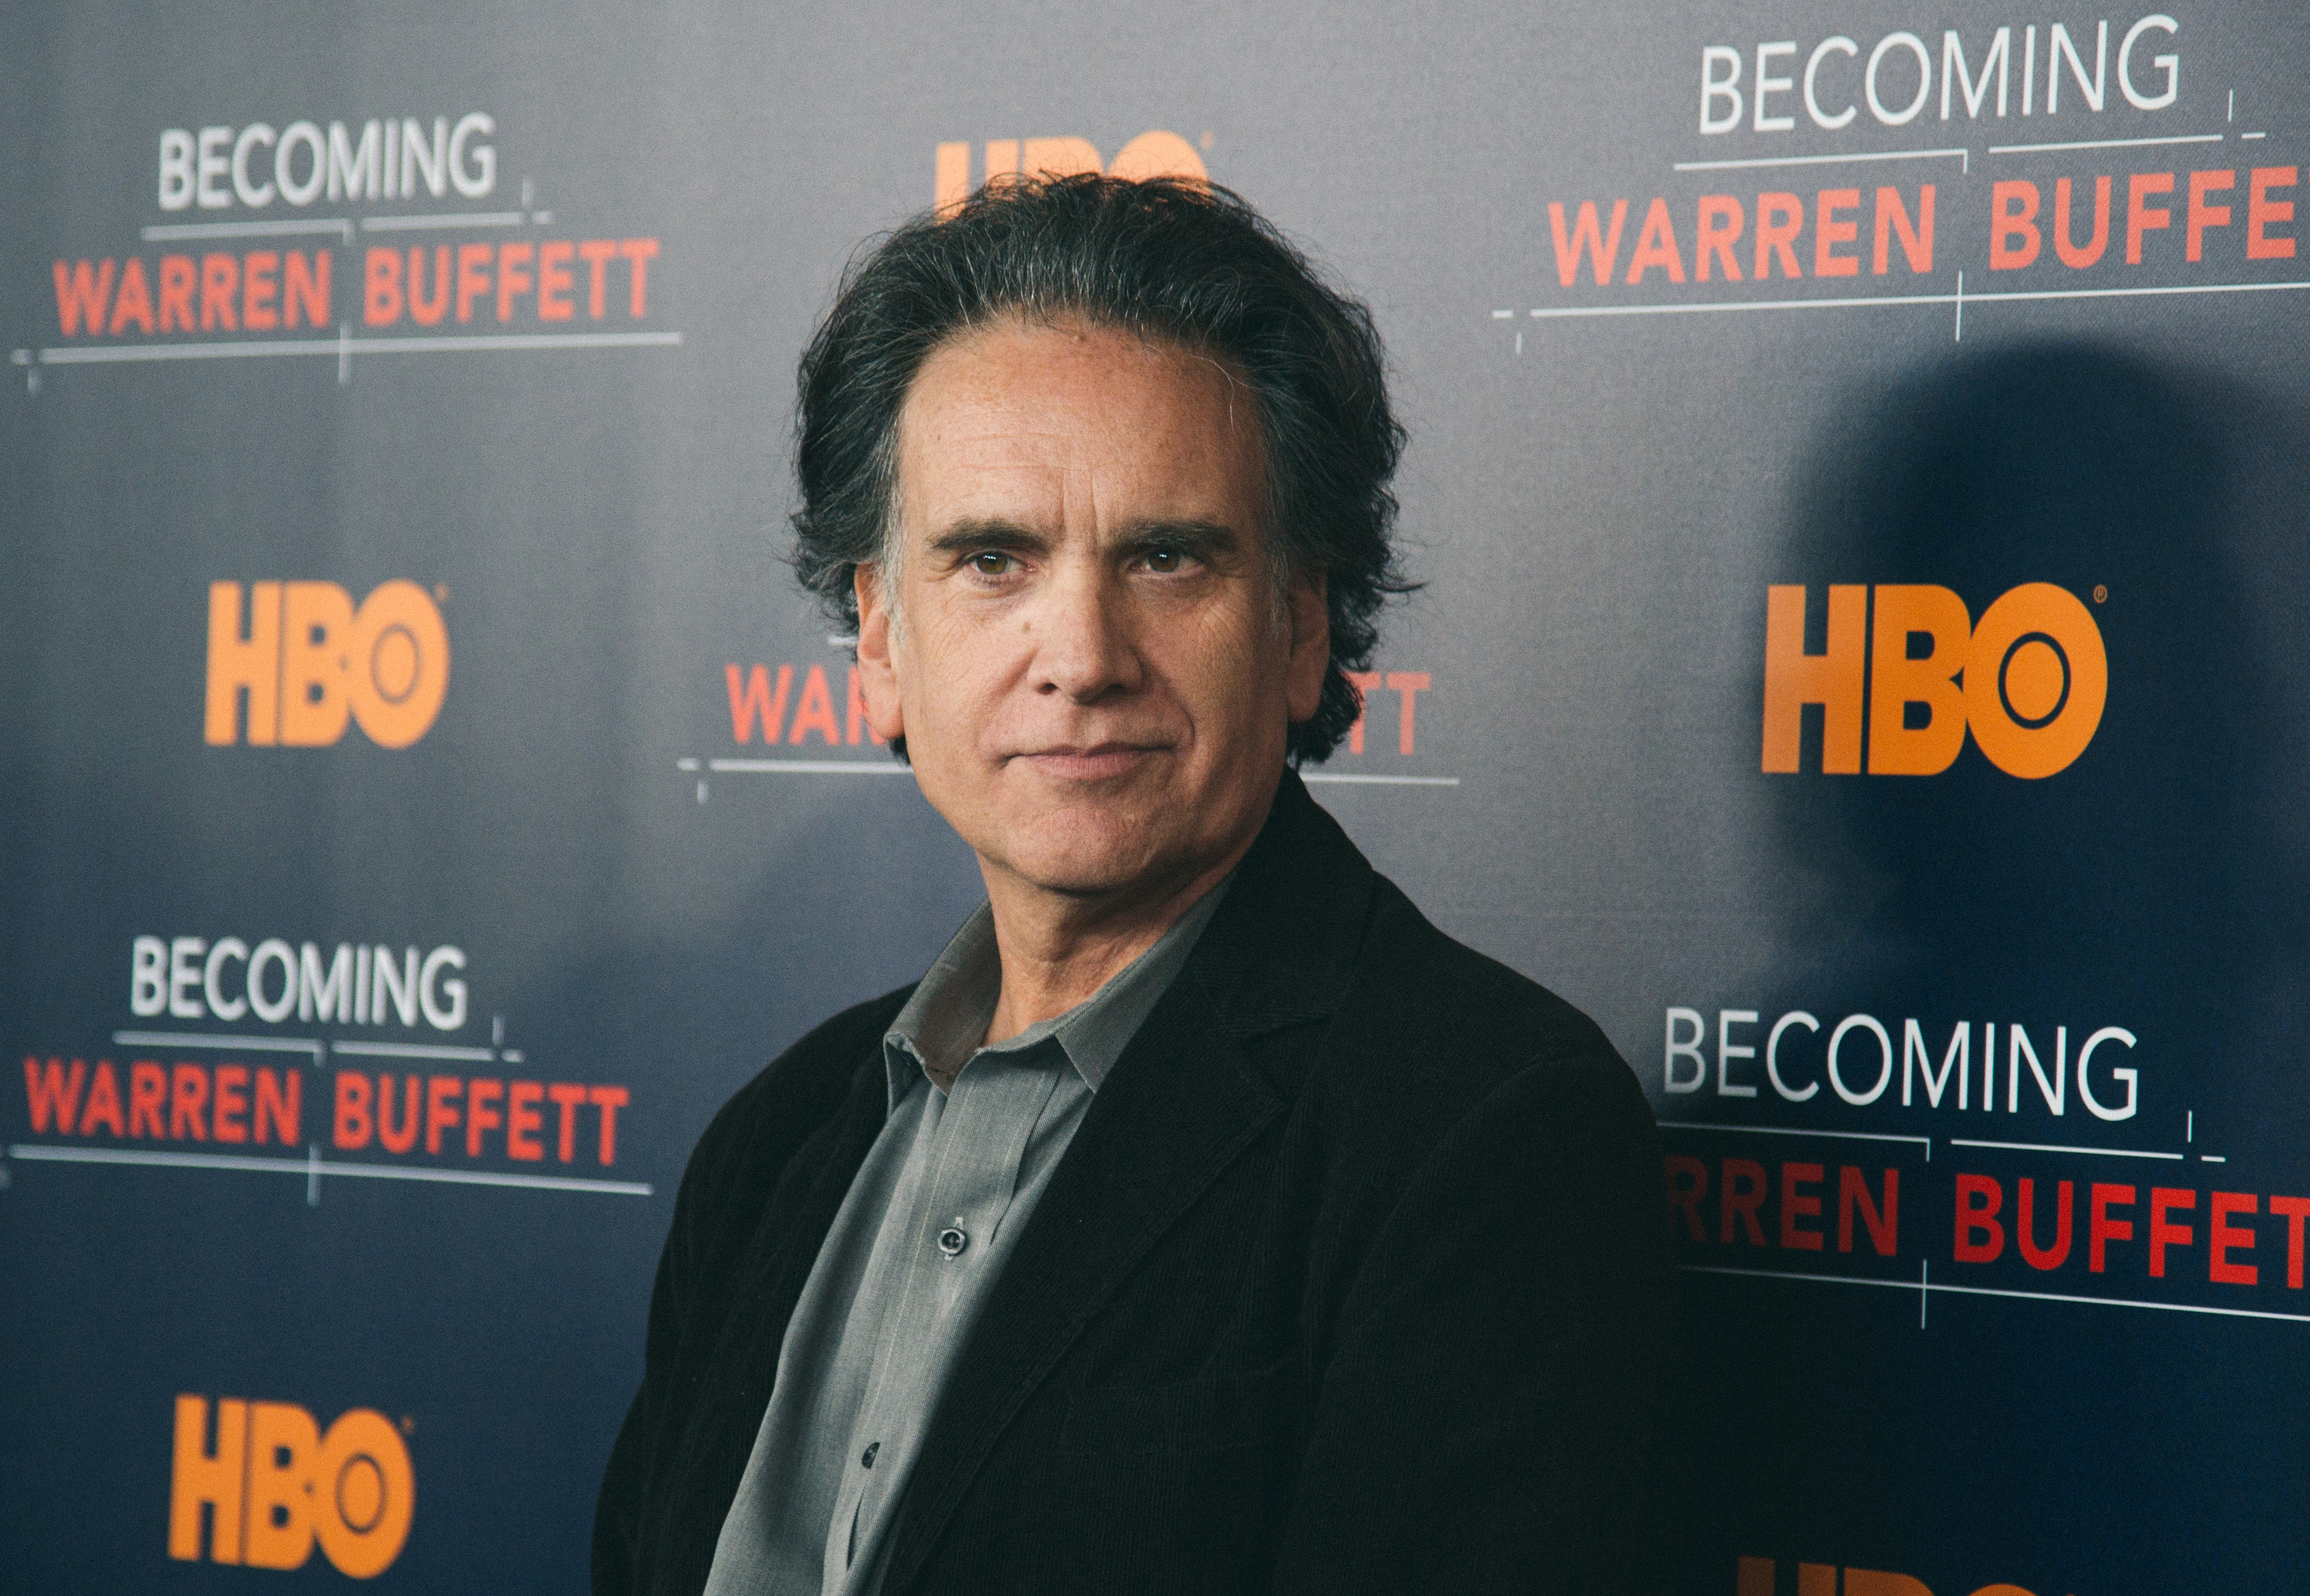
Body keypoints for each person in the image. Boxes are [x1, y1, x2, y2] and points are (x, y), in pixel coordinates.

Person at [593, 173, 1666, 1596]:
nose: (1082, 653)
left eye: (1166, 557)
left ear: (1300, 627)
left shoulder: (1481, 1134)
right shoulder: (773, 1144)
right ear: (878, 640)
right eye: (991, 560)